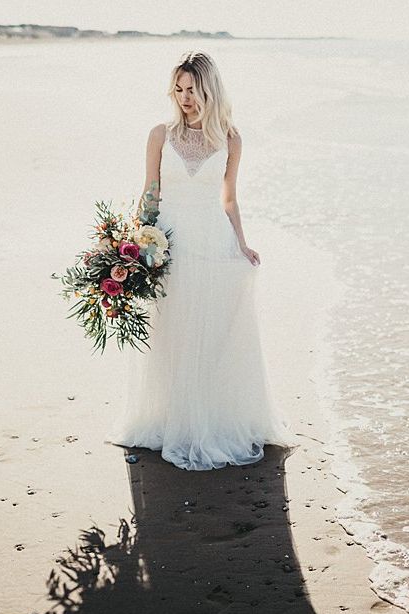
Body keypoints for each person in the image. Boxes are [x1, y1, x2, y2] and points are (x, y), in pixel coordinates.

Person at [104, 50, 296, 470]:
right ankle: (171, 418)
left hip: (212, 241)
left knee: (208, 335)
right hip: (170, 242)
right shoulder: (160, 134)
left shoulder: (231, 138)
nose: (184, 96)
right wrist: (133, 244)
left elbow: (229, 198)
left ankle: (208, 421)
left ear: (209, 89)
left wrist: (242, 245)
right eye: (178, 88)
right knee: (172, 330)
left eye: (192, 88)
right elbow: (150, 191)